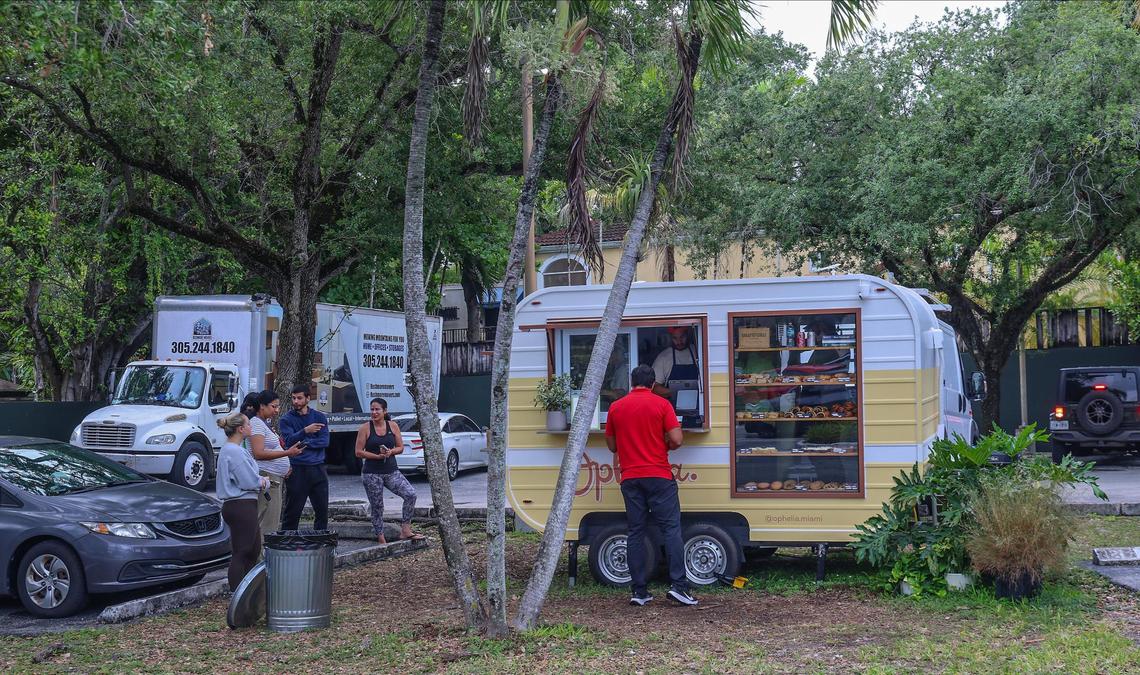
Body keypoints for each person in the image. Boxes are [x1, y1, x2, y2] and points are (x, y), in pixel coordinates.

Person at [605, 365, 696, 607]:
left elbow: (612, 446)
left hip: (631, 478)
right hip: (659, 475)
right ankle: (678, 586)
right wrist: (666, 446)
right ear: (653, 384)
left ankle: (639, 591)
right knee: (671, 530)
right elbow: (677, 438)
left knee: (636, 531)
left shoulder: (616, 407)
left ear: (632, 383)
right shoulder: (662, 404)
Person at [355, 398, 425, 544]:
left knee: (410, 494)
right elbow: (358, 452)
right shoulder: (365, 428)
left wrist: (390, 452)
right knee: (377, 506)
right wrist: (376, 456)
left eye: (377, 409)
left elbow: (400, 447)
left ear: (384, 411)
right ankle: (380, 537)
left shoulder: (392, 425)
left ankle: (405, 530)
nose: (374, 412)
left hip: (391, 471)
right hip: (371, 473)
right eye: (372, 409)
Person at [215, 411, 269, 590]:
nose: (251, 427)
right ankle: (237, 592)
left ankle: (248, 590)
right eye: (248, 425)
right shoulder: (234, 451)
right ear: (240, 429)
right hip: (241, 504)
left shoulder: (232, 449)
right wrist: (263, 481)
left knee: (252, 549)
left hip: (241, 504)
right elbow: (248, 481)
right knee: (242, 550)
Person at [247, 389, 303, 535]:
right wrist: (288, 453)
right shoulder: (257, 424)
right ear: (262, 406)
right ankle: (262, 556)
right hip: (267, 477)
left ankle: (264, 554)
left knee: (272, 520)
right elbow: (258, 453)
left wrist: (285, 462)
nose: (277, 410)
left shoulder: (264, 424)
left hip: (274, 477)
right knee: (267, 522)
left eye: (278, 407)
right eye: (274, 406)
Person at [279, 385, 331, 531]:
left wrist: (304, 442)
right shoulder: (286, 419)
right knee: (292, 512)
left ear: (308, 398)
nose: (296, 401)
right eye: (293, 398)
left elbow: (324, 441)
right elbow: (289, 442)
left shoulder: (319, 417)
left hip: (318, 468)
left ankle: (321, 545)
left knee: (322, 511)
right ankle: (287, 546)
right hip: (297, 469)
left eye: (299, 398)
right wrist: (305, 431)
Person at [651, 326, 701, 420]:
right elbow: (654, 388)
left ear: (688, 335)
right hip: (673, 413)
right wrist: (676, 392)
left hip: (698, 409)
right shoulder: (663, 357)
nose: (679, 341)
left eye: (682, 337)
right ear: (670, 338)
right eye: (675, 338)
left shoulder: (698, 352)